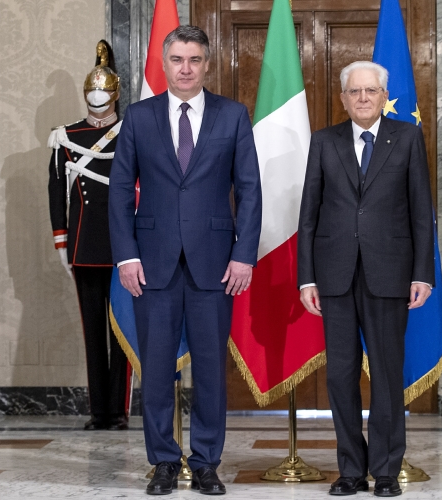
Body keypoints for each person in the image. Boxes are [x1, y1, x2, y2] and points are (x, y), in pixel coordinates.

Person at [108, 26, 261, 496]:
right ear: (164, 62)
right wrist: (126, 255)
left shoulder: (232, 115)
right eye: (177, 59)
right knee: (156, 369)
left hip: (215, 264)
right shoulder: (139, 116)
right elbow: (120, 190)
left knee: (211, 369)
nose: (186, 69)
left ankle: (207, 462)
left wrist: (244, 255)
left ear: (207, 64)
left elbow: (250, 189)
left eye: (195, 60)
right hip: (151, 263)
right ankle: (164, 463)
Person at [297, 61, 434, 498]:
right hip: (334, 276)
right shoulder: (324, 141)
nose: (362, 98)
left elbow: (421, 211)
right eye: (354, 91)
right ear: (343, 98)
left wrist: (423, 273)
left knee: (388, 375)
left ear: (383, 96)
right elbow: (308, 214)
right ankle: (351, 470)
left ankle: (387, 470)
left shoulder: (407, 137)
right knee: (340, 376)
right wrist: (306, 278)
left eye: (370, 91)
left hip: (390, 273)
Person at [48, 40, 129, 432]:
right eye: (92, 92)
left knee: (122, 331)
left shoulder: (131, 132)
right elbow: (55, 193)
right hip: (84, 244)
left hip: (124, 246)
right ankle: (99, 411)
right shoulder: (65, 136)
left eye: (104, 91)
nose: (98, 98)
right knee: (93, 331)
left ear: (115, 94)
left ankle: (119, 409)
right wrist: (61, 242)